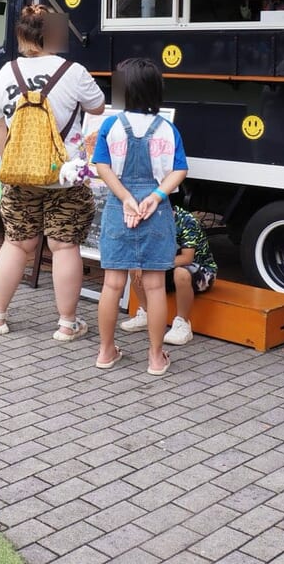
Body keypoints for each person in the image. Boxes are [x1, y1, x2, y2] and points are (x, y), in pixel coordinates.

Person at [0, 3, 105, 341]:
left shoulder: (6, 72)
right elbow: (97, 107)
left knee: (16, 243)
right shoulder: (74, 71)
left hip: (20, 174)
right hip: (65, 174)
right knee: (64, 246)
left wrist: (9, 170)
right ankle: (67, 324)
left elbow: (0, 130)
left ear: (22, 34)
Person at [89, 58, 187, 375]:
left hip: (120, 208)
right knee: (155, 286)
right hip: (156, 211)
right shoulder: (168, 129)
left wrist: (127, 198)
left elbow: (101, 166)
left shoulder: (111, 126)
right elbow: (180, 170)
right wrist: (155, 197)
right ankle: (156, 358)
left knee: (113, 284)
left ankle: (106, 352)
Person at [121, 207, 217, 347]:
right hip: (166, 267)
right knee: (134, 266)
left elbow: (187, 258)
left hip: (200, 270)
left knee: (181, 273)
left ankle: (182, 323)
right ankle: (145, 313)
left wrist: (152, 264)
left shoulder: (186, 220)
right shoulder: (147, 219)